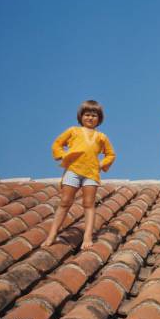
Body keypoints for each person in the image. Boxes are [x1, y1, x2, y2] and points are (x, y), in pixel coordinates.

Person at [44, 100, 116, 249]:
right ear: (81, 116)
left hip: (91, 174)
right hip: (73, 170)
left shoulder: (101, 136)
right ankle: (52, 235)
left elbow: (111, 154)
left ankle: (87, 236)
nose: (90, 118)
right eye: (87, 115)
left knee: (89, 204)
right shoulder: (73, 131)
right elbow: (57, 143)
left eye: (94, 115)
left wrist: (101, 165)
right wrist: (62, 155)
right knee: (65, 202)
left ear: (99, 118)